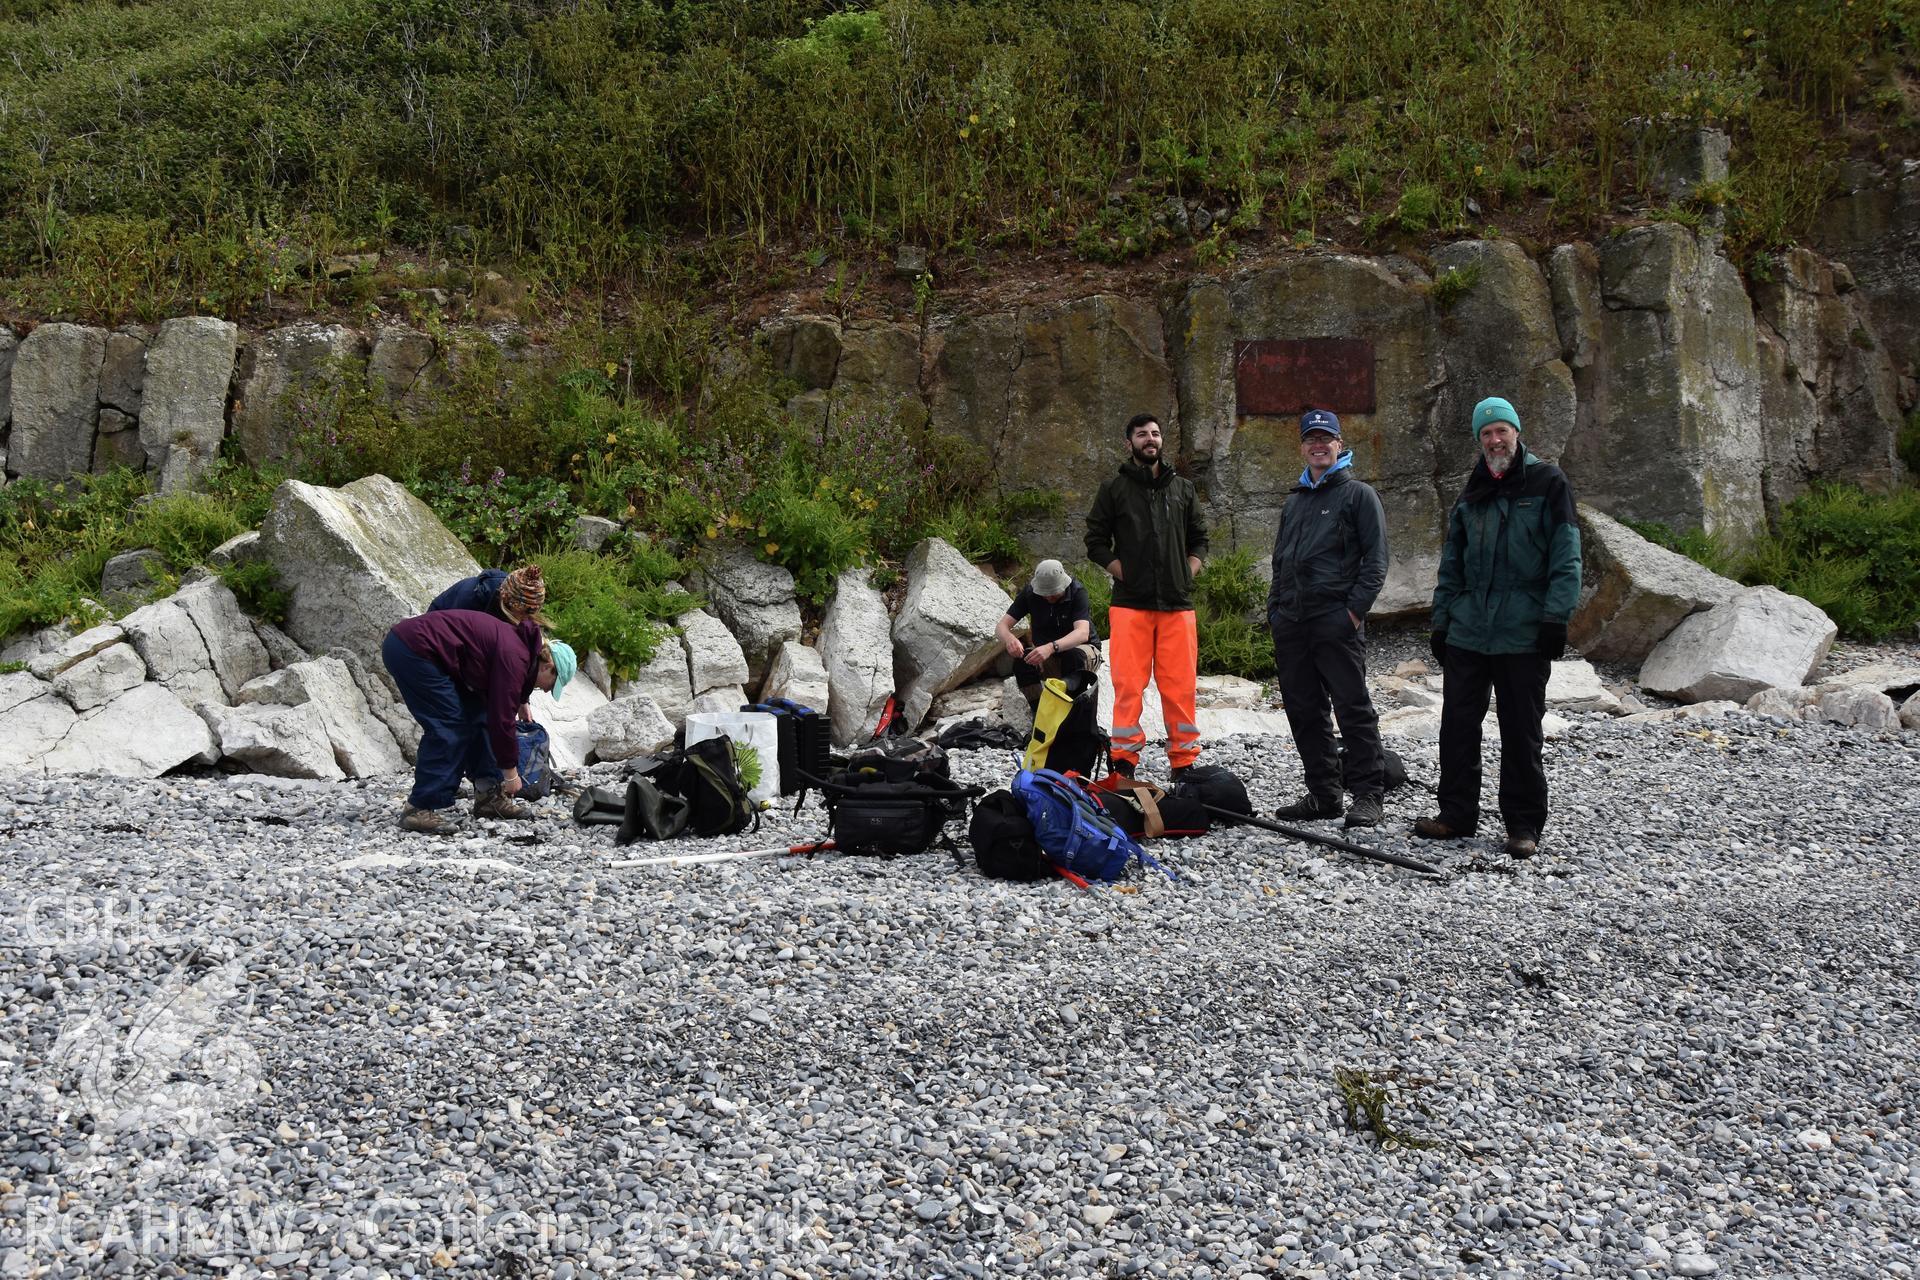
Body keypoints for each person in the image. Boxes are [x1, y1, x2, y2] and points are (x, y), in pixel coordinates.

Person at [1418, 396, 1582, 859]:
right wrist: (1442, 621)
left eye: (1501, 430)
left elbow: (1566, 557)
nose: (1495, 439)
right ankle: (1454, 815)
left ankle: (1524, 825)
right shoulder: (1471, 492)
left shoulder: (1548, 482)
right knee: (1457, 727)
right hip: (1470, 629)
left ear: (1516, 432)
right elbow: (1452, 565)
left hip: (1524, 631)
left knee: (1521, 730)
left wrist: (1556, 618)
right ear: (1479, 441)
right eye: (1486, 433)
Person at [1265, 409, 1390, 828]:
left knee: (1352, 707)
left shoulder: (1359, 495)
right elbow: (1280, 561)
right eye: (1311, 439)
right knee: (1304, 710)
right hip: (1293, 624)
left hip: (1335, 621)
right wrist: (1275, 612)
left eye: (1327, 438)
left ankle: (1369, 794)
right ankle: (1324, 794)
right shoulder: (1295, 501)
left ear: (1340, 444)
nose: (1319, 445)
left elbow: (1376, 562)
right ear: (1302, 447)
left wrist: (1353, 612)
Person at [1084, 412, 1208, 779]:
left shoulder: (1183, 489)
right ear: (1130, 443)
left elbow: (1200, 538)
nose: (1150, 439)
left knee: (1181, 688)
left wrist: (1188, 572)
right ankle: (1123, 760)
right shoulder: (1113, 489)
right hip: (1130, 606)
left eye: (1155, 433)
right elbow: (1095, 541)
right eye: (1142, 434)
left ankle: (1183, 762)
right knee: (1127, 687)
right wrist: (1124, 572)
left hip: (1177, 606)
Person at [382, 608, 578, 834]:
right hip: (413, 650)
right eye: (552, 685)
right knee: (450, 727)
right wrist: (511, 774)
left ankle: (488, 796)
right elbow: (503, 721)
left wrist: (522, 699)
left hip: (426, 652)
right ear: (548, 667)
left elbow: (496, 705)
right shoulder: (515, 656)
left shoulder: (522, 652)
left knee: (480, 716)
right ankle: (418, 808)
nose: (546, 691)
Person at [996, 559, 1100, 707]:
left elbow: (1082, 633)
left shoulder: (1077, 592)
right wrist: (1009, 638)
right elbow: (1001, 626)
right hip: (1049, 657)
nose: (1049, 597)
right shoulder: (1030, 594)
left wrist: (1051, 647)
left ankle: (1071, 709)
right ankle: (1040, 711)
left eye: (1054, 593)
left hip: (1083, 652)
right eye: (1044, 594)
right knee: (1022, 663)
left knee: (1073, 656)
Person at [430, 564, 547, 625]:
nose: (526, 619)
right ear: (508, 602)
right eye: (523, 614)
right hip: (434, 628)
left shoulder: (512, 596)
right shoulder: (470, 598)